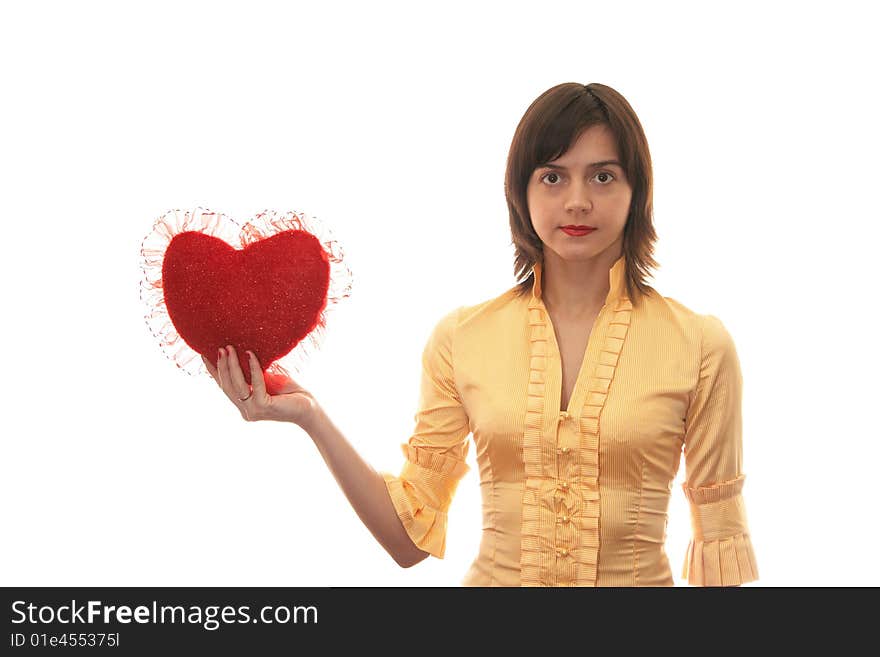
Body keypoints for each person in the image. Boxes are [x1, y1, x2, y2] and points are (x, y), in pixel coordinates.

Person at [202, 82, 759, 587]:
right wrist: (310, 416)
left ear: (638, 192)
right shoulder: (462, 340)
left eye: (603, 175)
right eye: (553, 176)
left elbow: (720, 556)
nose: (578, 201)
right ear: (521, 191)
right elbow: (407, 539)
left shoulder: (700, 347)